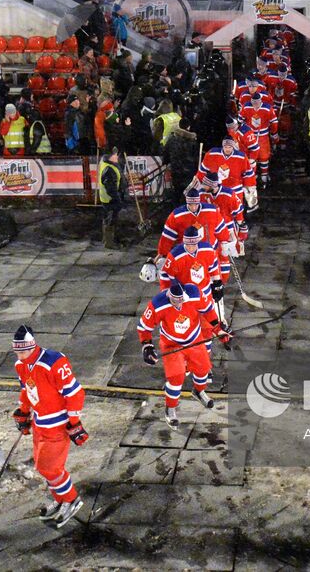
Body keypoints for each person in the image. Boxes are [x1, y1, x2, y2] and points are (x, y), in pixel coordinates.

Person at [10, 325, 87, 527]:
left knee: (49, 467)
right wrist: (23, 411)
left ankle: (71, 500)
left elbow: (75, 394)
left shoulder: (54, 362)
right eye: (17, 352)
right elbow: (27, 390)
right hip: (40, 423)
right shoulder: (21, 365)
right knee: (44, 467)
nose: (20, 356)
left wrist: (74, 422)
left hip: (58, 425)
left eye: (23, 351)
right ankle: (61, 500)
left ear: (32, 346)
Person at [136, 278, 232, 427]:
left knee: (203, 370)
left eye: (181, 299)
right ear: (168, 295)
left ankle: (198, 392)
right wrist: (147, 346)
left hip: (194, 340)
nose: (179, 303)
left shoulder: (194, 293)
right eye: (175, 300)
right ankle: (171, 409)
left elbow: (208, 311)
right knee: (176, 378)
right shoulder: (157, 304)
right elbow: (144, 327)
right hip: (172, 345)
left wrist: (218, 329)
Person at [97, 148, 128, 248]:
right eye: (116, 155)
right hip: (110, 199)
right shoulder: (109, 169)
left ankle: (108, 239)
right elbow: (111, 188)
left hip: (109, 198)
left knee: (109, 219)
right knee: (111, 220)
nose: (117, 157)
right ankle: (109, 243)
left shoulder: (108, 162)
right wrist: (118, 199)